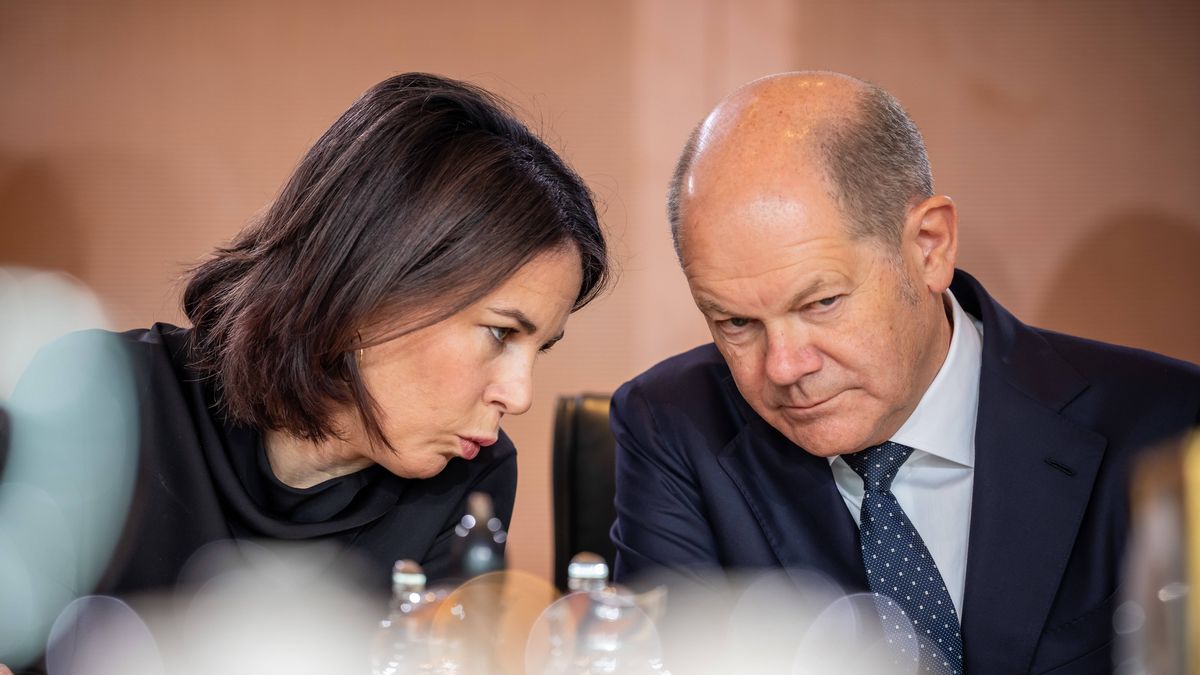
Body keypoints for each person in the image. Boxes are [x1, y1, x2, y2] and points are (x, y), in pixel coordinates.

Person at [2, 72, 608, 671]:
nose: (520, 395)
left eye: (539, 349)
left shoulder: (472, 475)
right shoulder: (97, 399)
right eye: (501, 333)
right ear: (374, 283)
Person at [610, 71, 1199, 674]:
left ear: (929, 246)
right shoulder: (674, 427)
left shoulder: (1170, 426)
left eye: (821, 303)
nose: (784, 367)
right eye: (735, 323)